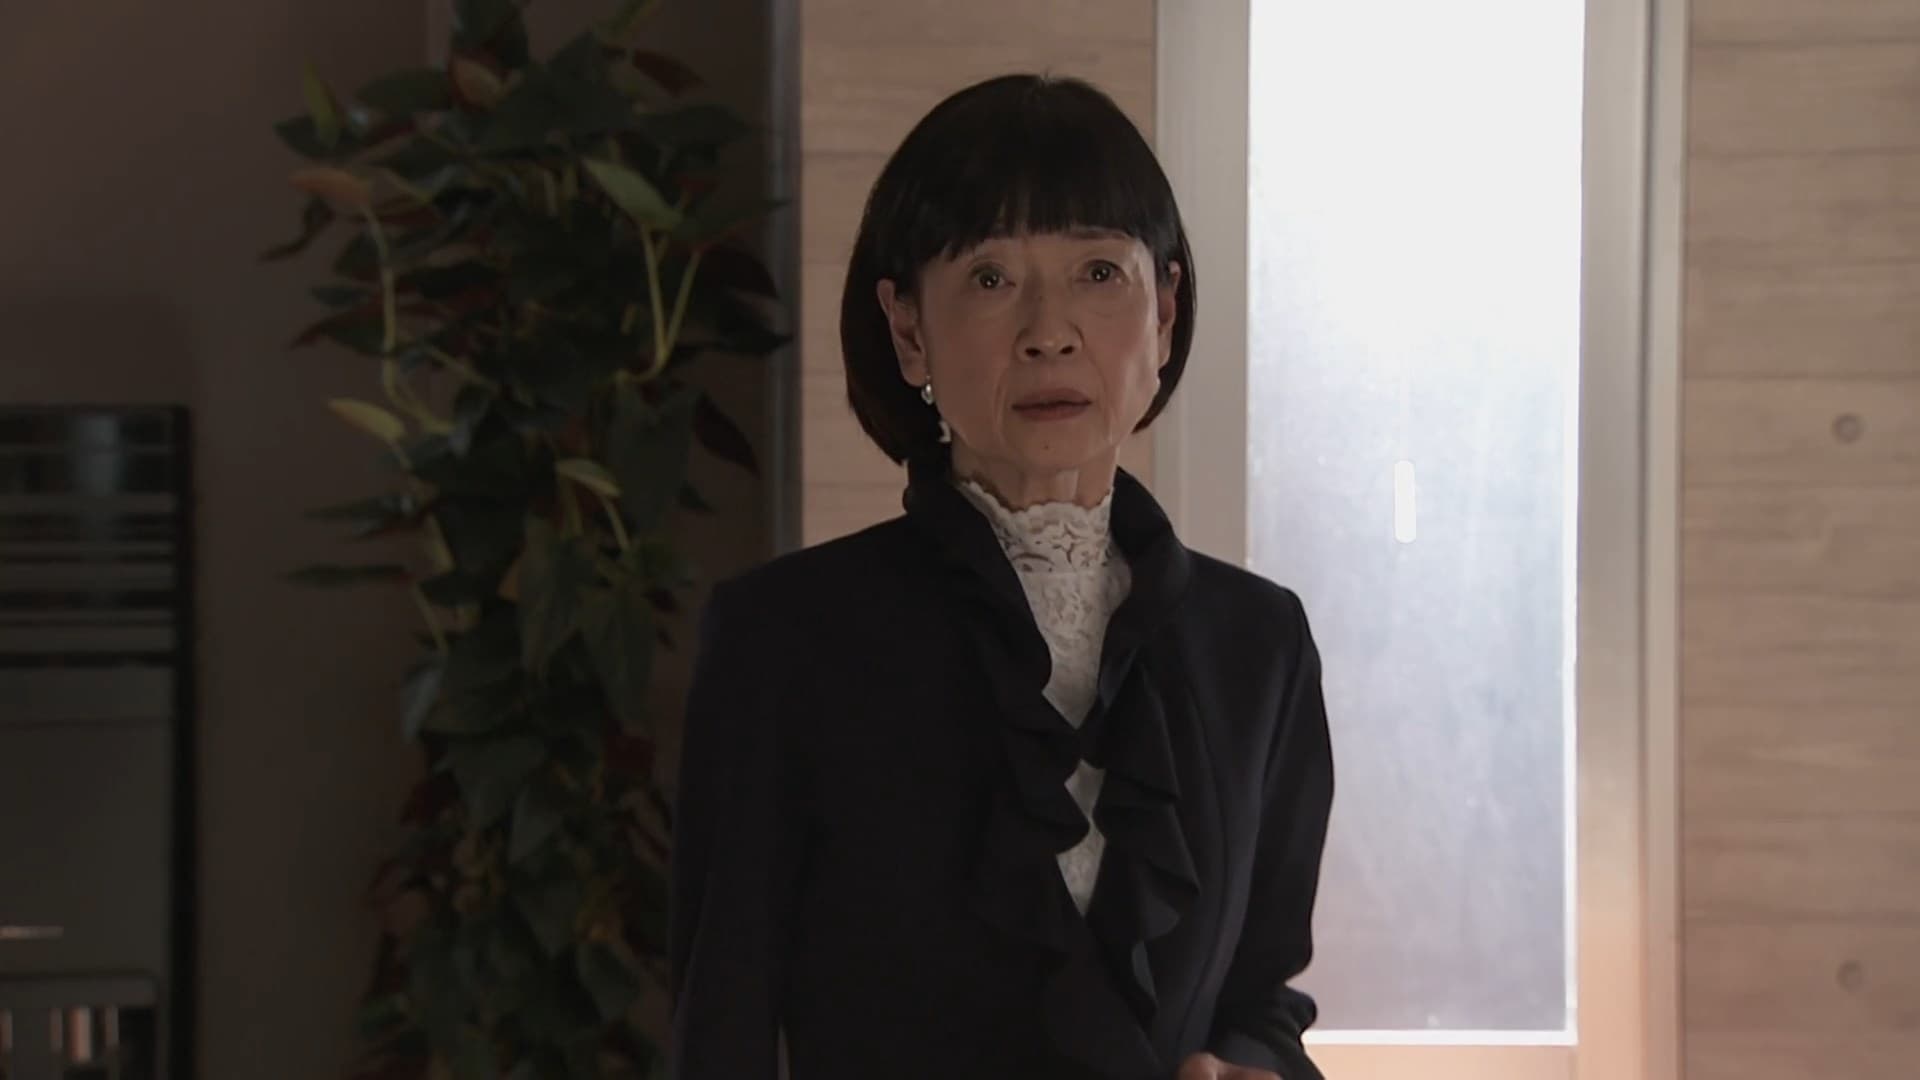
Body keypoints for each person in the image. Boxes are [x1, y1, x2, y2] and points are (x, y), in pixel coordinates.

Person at [668, 73, 1334, 1080]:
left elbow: (1260, 997)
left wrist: (1253, 1066)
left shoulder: (1260, 644)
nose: (1048, 330)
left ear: (1164, 313)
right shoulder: (784, 638)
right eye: (989, 277)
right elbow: (720, 1029)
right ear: (908, 331)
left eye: (1098, 272)